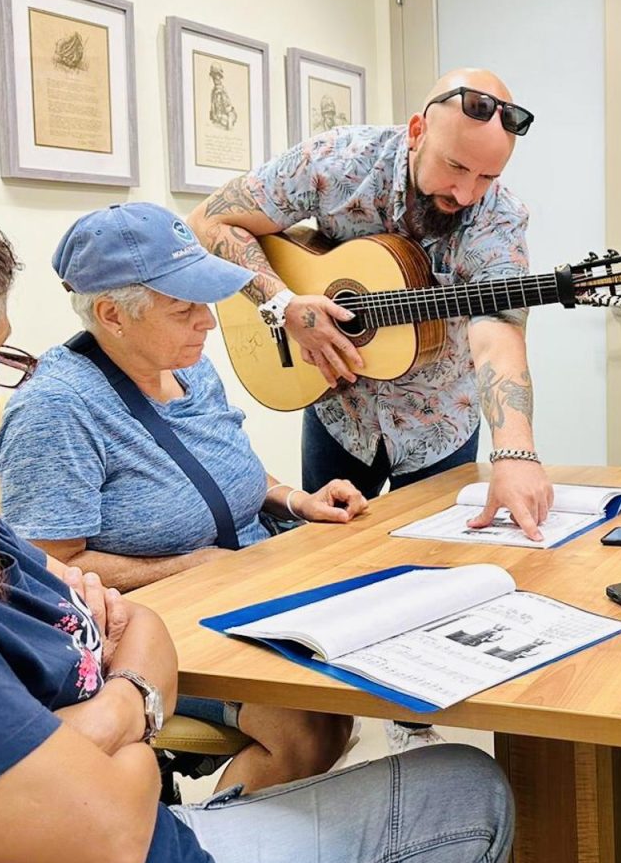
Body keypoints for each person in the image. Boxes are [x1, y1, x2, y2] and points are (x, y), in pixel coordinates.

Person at [0, 182, 593, 863]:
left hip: (156, 854)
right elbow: (104, 828)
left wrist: (106, 725)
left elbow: (131, 624)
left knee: (466, 785)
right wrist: (121, 717)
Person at [0, 202, 364, 793]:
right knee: (308, 724)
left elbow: (225, 472)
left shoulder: (188, 366)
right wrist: (188, 565)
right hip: (153, 631)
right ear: (113, 314)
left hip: (250, 589)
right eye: (184, 308)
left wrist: (296, 500)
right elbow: (45, 567)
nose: (207, 324)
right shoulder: (57, 409)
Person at [187, 68, 556, 542]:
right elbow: (209, 220)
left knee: (436, 570)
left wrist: (515, 454)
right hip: (337, 407)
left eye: (487, 176)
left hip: (438, 421)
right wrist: (282, 305)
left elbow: (498, 332)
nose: (466, 194)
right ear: (417, 132)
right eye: (456, 167)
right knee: (328, 557)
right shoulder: (338, 162)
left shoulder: (498, 217)